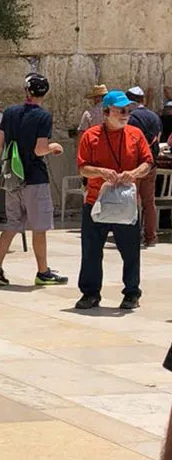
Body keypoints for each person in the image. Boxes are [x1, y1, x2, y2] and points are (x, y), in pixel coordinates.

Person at [0, 73, 68, 288]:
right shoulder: (43, 117)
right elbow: (40, 149)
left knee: (12, 223)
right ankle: (43, 272)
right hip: (34, 178)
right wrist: (54, 147)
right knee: (39, 227)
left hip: (12, 177)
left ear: (26, 91)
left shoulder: (10, 113)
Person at [75, 90, 153, 310]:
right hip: (96, 201)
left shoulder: (136, 134)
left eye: (127, 110)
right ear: (107, 112)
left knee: (130, 251)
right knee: (91, 250)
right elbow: (83, 168)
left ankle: (131, 293)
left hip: (126, 203)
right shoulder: (91, 136)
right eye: (120, 110)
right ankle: (90, 293)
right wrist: (100, 171)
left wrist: (134, 173)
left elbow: (147, 163)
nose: (125, 114)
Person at [125, 87, 162, 248]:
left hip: (135, 164)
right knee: (149, 201)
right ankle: (151, 237)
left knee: (131, 200)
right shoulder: (155, 116)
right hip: (150, 163)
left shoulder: (131, 117)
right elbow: (158, 137)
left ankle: (132, 235)